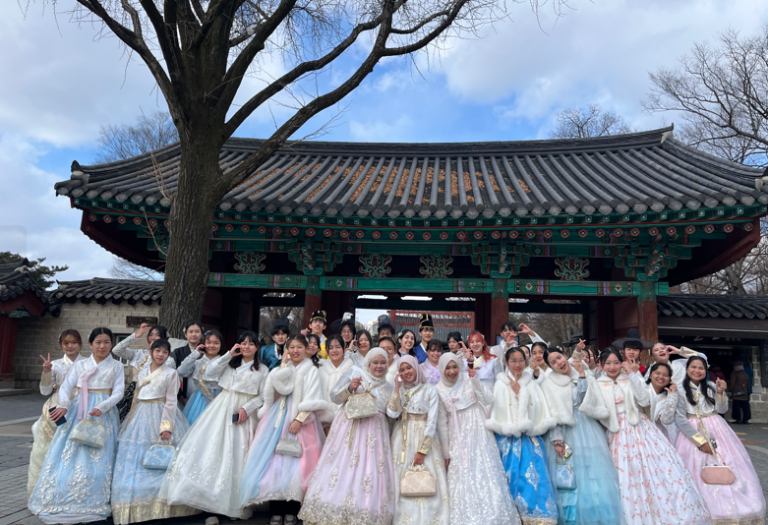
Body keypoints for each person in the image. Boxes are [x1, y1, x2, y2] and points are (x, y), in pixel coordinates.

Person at [595, 349, 710, 525]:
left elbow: (644, 401)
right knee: (623, 476)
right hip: (615, 432)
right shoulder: (599, 384)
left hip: (641, 430)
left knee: (656, 475)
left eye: (616, 362)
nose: (612, 366)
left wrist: (634, 375)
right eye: (608, 363)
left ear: (622, 363)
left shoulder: (632, 379)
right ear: (602, 365)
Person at [160, 331, 266, 520]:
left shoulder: (263, 370)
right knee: (213, 449)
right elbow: (209, 373)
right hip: (223, 406)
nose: (247, 346)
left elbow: (264, 395)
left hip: (244, 413)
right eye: (243, 343)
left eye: (251, 343)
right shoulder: (230, 364)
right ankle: (210, 503)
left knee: (239, 453)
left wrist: (246, 408)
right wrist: (229, 355)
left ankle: (235, 503)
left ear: (257, 347)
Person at [29, 327, 126, 524]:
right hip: (77, 411)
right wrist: (64, 405)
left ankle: (95, 498)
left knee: (100, 455)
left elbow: (118, 392)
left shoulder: (117, 366)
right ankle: (64, 495)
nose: (102, 346)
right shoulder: (81, 365)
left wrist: (103, 406)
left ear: (111, 345)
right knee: (70, 453)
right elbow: (66, 387)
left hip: (103, 414)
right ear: (90, 344)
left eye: (107, 342)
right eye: (98, 342)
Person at [298, 348, 395, 525]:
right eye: (375, 362)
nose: (379, 366)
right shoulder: (355, 373)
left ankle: (364, 510)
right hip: (349, 428)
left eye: (383, 362)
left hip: (374, 434)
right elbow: (334, 396)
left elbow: (392, 414)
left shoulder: (390, 386)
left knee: (369, 470)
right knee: (342, 467)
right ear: (368, 362)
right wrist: (351, 387)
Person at [240, 334, 327, 525]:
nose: (295, 351)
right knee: (274, 464)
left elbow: (313, 397)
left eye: (299, 347)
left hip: (301, 419)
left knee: (298, 465)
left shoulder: (311, 371)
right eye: (292, 347)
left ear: (306, 349)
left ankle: (293, 509)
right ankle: (275, 510)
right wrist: (283, 369)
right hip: (277, 418)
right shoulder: (281, 368)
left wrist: (299, 419)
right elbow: (274, 391)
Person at [111, 339, 197, 524]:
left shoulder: (171, 373)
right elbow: (135, 397)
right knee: (134, 459)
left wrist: (166, 427)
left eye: (165, 352)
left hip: (160, 413)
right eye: (157, 350)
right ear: (150, 352)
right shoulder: (141, 371)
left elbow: (171, 401)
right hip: (139, 416)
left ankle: (163, 505)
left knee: (163, 458)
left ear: (168, 355)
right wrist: (128, 421)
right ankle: (134, 503)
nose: (160, 354)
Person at [675, 356, 766, 524]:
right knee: (691, 469)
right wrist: (700, 441)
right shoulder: (680, 390)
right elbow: (680, 419)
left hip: (717, 428)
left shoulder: (711, 386)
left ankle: (731, 508)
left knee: (729, 463)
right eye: (693, 367)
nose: (697, 370)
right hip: (691, 431)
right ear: (687, 369)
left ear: (706, 370)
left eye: (701, 368)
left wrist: (721, 392)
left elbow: (722, 409)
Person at [540, 348, 623, 525]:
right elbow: (552, 412)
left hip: (588, 426)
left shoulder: (583, 373)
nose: (559, 363)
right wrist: (557, 440)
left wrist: (583, 375)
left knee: (594, 472)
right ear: (550, 367)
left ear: (565, 355)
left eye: (559, 357)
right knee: (571, 476)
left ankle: (598, 516)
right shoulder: (549, 385)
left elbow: (590, 400)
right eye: (553, 362)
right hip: (566, 432)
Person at [437, 353, 521, 525]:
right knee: (462, 476)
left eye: (454, 366)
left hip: (480, 433)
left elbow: (489, 400)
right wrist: (446, 452)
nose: (452, 371)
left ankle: (495, 516)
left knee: (487, 472)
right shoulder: (438, 389)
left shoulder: (468, 379)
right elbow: (442, 424)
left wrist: (476, 381)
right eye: (448, 367)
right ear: (441, 369)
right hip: (457, 436)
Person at [488, 347, 558, 525]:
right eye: (513, 360)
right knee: (506, 481)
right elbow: (497, 411)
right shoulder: (500, 384)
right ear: (506, 362)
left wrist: (521, 394)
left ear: (526, 362)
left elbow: (540, 408)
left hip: (529, 439)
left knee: (532, 481)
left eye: (521, 360)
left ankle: (535, 518)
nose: (517, 364)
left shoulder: (531, 383)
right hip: (506, 441)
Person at [387, 356, 449, 525]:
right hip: (402, 438)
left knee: (426, 476)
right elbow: (392, 414)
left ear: (416, 368)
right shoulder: (399, 390)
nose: (406, 372)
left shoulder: (429, 390)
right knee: (400, 477)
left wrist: (422, 450)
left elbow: (433, 421)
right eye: (402, 369)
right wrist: (396, 388)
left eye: (409, 368)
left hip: (423, 437)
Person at [27, 329, 85, 498]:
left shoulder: (88, 363)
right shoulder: (56, 365)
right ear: (61, 345)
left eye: (74, 342)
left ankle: (72, 491)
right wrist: (46, 371)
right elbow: (45, 391)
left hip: (81, 408)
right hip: (56, 410)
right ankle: (43, 490)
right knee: (49, 449)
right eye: (66, 343)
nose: (70, 346)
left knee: (76, 450)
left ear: (80, 344)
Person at [113, 324, 175, 422]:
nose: (153, 337)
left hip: (155, 396)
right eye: (151, 334)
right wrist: (136, 336)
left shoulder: (169, 360)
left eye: (157, 335)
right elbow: (116, 350)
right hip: (133, 394)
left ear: (164, 337)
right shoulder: (138, 353)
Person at [178, 329, 226, 425]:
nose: (212, 346)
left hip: (218, 401)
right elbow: (181, 371)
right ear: (203, 344)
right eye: (208, 342)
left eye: (216, 343)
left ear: (221, 345)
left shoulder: (225, 363)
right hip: (197, 401)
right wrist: (195, 354)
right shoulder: (197, 362)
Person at [318, 334, 353, 432]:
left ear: (344, 348)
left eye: (338, 347)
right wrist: (324, 423)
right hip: (325, 422)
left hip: (347, 421)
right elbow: (319, 395)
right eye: (331, 348)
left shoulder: (352, 370)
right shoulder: (321, 370)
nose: (334, 350)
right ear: (326, 351)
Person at [171, 322, 204, 407]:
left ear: (201, 334)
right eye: (191, 331)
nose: (194, 334)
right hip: (183, 396)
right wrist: (181, 397)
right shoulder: (177, 352)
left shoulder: (206, 353)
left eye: (197, 331)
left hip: (202, 397)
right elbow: (172, 376)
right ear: (186, 334)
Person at [644, 362, 680, 442]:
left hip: (658, 436)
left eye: (665, 375)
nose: (661, 377)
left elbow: (666, 420)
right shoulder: (642, 391)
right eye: (657, 373)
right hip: (638, 433)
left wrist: (672, 397)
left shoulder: (670, 396)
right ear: (650, 375)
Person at [729, 359, 751, 424]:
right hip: (744, 393)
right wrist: (746, 390)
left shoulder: (734, 373)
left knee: (736, 407)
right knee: (745, 407)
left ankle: (738, 419)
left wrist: (731, 389)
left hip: (736, 393)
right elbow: (748, 384)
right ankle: (746, 419)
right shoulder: (745, 374)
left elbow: (732, 383)